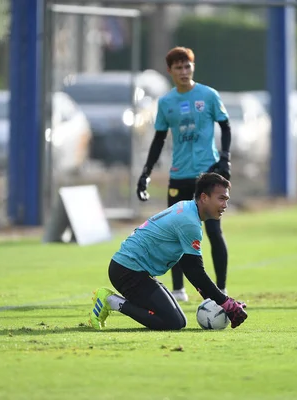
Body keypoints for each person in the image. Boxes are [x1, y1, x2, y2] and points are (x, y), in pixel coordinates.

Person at [89, 173, 247, 331]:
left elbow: (188, 266)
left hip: (132, 270)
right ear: (204, 197)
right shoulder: (189, 222)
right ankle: (111, 301)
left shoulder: (187, 209)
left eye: (226, 199)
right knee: (173, 322)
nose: (225, 205)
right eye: (221, 198)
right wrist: (226, 302)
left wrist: (216, 299)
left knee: (179, 321)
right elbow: (194, 270)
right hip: (128, 272)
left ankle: (114, 301)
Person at [136, 46, 232, 302]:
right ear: (170, 71)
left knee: (213, 232)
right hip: (179, 176)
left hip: (207, 174)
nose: (183, 71)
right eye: (178, 67)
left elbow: (225, 125)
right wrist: (146, 173)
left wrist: (225, 158)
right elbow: (158, 139)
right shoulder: (166, 102)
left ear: (193, 66)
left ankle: (221, 288)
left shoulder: (208, 95)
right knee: (176, 234)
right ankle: (178, 290)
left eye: (187, 66)